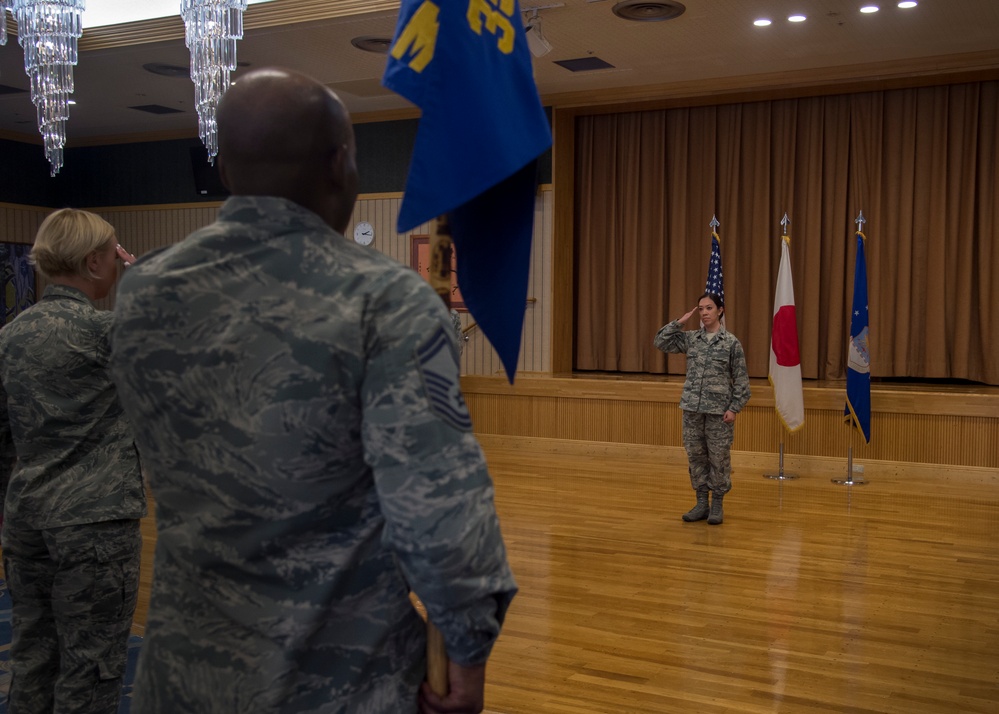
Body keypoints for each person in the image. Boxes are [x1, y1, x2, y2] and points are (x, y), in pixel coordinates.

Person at [108, 68, 516, 714]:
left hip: (182, 676)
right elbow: (438, 511)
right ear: (340, 164)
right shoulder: (385, 301)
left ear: (226, 167)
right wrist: (465, 653)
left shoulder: (143, 291)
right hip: (338, 680)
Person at [0, 208, 146, 714]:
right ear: (92, 262)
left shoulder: (11, 336)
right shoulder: (105, 333)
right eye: (112, 256)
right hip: (94, 525)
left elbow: (2, 436)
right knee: (92, 667)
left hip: (27, 519)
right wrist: (145, 272)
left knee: (34, 657)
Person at [654, 293, 751, 525]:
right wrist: (679, 322)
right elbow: (660, 342)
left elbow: (742, 381)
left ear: (720, 310)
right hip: (692, 409)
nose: (705, 312)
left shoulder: (730, 343)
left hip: (719, 412)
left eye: (709, 308)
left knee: (718, 458)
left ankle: (717, 504)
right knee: (696, 456)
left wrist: (734, 407)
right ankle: (701, 503)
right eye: (700, 309)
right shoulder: (691, 339)